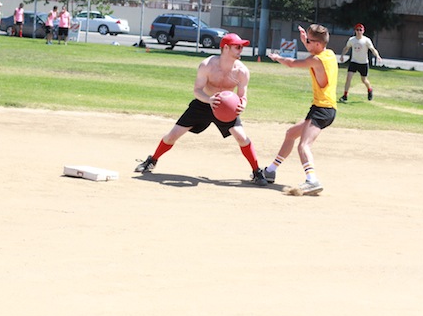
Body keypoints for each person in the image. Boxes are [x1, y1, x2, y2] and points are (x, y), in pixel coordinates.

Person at [135, 33, 268, 186]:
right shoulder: (207, 65)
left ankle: (256, 171)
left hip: (226, 107)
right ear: (225, 48)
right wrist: (209, 99)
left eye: (242, 46)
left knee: (242, 137)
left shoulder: (242, 71)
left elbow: (242, 95)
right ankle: (152, 160)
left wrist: (242, 104)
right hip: (203, 103)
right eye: (237, 46)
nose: (241, 49)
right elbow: (197, 90)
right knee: (172, 136)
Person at [264, 24, 338, 195]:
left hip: (322, 109)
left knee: (303, 146)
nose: (307, 44)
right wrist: (306, 40)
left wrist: (277, 58)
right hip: (326, 108)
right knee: (291, 133)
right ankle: (270, 170)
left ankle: (312, 180)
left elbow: (292, 64)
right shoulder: (329, 54)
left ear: (318, 45)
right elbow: (314, 49)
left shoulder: (316, 60)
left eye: (310, 42)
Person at [338, 23, 382, 102]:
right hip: (354, 62)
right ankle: (345, 95)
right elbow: (346, 48)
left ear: (363, 31)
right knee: (348, 78)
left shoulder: (366, 40)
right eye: (357, 30)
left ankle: (370, 90)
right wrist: (342, 55)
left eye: (360, 30)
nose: (358, 31)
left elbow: (372, 49)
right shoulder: (352, 40)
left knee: (364, 80)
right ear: (355, 31)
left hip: (363, 63)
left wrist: (377, 56)